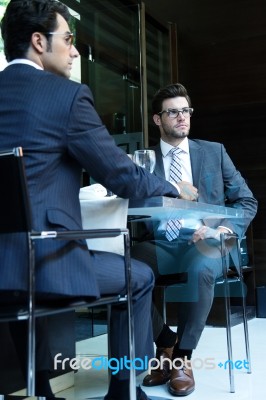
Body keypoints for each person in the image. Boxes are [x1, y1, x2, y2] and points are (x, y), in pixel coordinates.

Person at [0, 1, 182, 399]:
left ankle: (41, 390)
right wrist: (173, 189)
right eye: (67, 39)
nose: (75, 51)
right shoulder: (65, 96)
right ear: (37, 41)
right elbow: (119, 173)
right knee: (140, 277)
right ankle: (122, 390)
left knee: (13, 268)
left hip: (5, 266)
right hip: (44, 263)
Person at [130, 83, 258, 396]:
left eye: (185, 110)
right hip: (159, 243)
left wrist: (222, 230)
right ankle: (166, 343)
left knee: (201, 266)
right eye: (173, 112)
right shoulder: (144, 161)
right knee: (122, 269)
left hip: (206, 241)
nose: (181, 117)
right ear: (158, 120)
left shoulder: (214, 152)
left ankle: (182, 360)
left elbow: (246, 201)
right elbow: (131, 209)